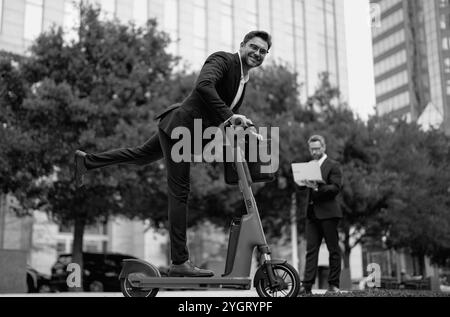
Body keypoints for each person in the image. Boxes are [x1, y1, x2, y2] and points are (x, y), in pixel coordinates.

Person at [73, 31, 272, 277]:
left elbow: (223, 113)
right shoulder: (222, 60)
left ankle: (86, 161)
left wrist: (246, 129)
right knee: (180, 191)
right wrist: (231, 117)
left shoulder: (244, 80)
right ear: (242, 46)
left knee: (141, 155)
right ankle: (180, 261)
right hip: (181, 129)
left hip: (185, 130)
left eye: (263, 51)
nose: (257, 53)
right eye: (253, 47)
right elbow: (204, 86)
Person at [297, 134, 343, 294]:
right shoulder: (309, 165)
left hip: (329, 214)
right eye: (312, 149)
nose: (314, 152)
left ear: (323, 148)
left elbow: (335, 188)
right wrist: (301, 182)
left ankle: (333, 285)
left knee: (333, 249)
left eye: (317, 148)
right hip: (312, 214)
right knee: (311, 251)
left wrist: (317, 186)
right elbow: (302, 188)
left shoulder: (333, 165)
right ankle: (307, 286)